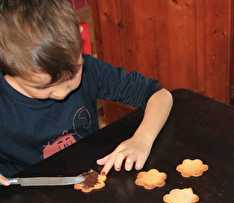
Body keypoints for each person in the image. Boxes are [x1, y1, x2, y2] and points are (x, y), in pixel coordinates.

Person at [0, 0, 173, 186]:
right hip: (26, 196)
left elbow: (160, 96)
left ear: (81, 44)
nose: (61, 93)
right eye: (43, 88)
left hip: (89, 178)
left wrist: (142, 139)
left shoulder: (90, 70)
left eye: (73, 75)